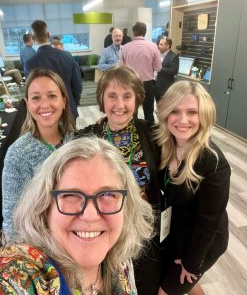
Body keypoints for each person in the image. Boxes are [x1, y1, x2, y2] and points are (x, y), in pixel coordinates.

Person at [0, 137, 154, 294]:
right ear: (45, 207)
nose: (90, 216)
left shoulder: (121, 263)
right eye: (71, 195)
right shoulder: (18, 276)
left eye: (108, 194)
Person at [76, 65, 162, 295]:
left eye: (127, 96)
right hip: (99, 232)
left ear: (137, 100)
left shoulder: (154, 136)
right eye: (112, 96)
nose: (120, 105)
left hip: (144, 237)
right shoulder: (84, 138)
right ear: (102, 99)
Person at [155, 81, 231, 295]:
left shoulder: (213, 163)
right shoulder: (167, 145)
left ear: (204, 116)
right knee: (184, 284)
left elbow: (208, 223)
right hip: (177, 232)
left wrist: (192, 263)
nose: (182, 120)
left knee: (167, 289)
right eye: (175, 111)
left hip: (202, 243)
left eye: (192, 112)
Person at [2, 68, 75, 240]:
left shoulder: (76, 142)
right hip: (40, 250)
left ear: (64, 101)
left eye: (52, 96)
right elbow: (12, 223)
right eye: (36, 98)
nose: (44, 105)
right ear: (27, 104)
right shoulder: (17, 154)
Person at [26, 20, 82, 120]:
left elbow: (32, 95)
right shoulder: (67, 56)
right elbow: (77, 86)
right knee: (70, 136)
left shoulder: (30, 63)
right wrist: (73, 103)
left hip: (46, 114)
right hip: (69, 110)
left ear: (33, 38)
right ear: (48, 34)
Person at [120, 21, 161, 125]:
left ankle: (133, 134)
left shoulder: (125, 48)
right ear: (145, 32)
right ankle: (149, 135)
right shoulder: (153, 46)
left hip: (131, 83)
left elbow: (121, 68)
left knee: (131, 111)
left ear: (133, 32)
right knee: (148, 111)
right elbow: (158, 67)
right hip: (147, 84)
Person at [155, 37, 179, 102]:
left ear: (167, 46)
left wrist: (160, 68)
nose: (158, 46)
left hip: (165, 88)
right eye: (159, 44)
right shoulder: (158, 54)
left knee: (164, 107)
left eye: (161, 44)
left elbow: (174, 71)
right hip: (156, 86)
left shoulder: (173, 56)